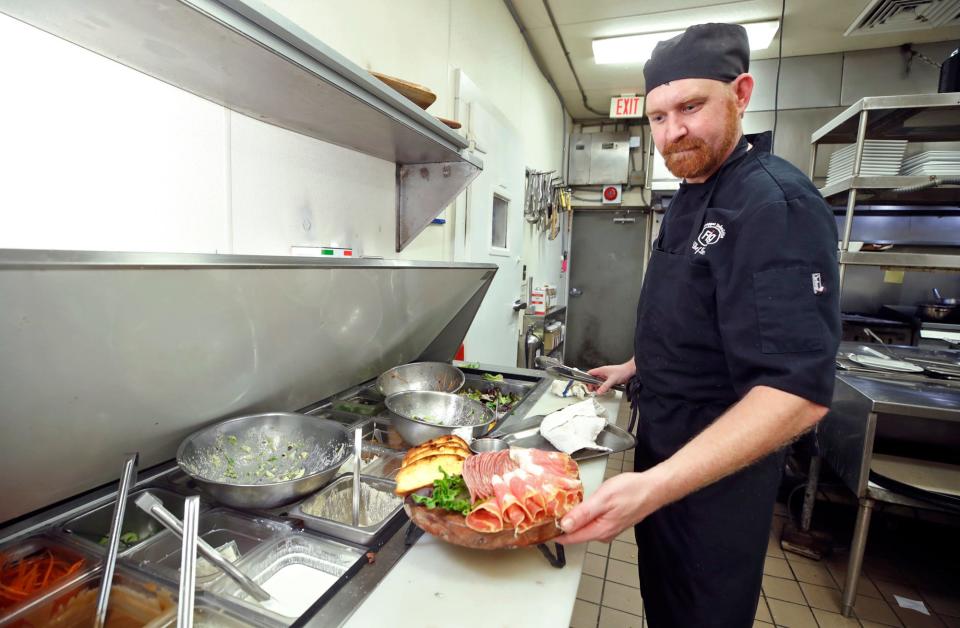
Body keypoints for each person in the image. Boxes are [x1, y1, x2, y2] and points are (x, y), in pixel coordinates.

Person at [555, 23, 841, 628]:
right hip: (663, 449)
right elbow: (704, 313)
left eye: (690, 107)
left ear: (740, 93)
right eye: (658, 116)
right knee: (665, 601)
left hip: (716, 476)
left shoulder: (772, 204)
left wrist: (655, 487)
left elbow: (796, 394)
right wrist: (639, 366)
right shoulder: (692, 189)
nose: (673, 131)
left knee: (701, 611)